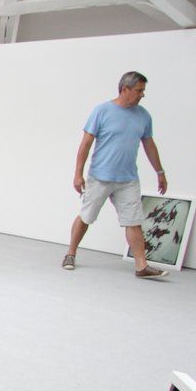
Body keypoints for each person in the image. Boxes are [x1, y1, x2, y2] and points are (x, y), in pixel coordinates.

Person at [63, 71, 169, 279]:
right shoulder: (102, 111)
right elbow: (85, 144)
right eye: (139, 90)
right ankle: (70, 254)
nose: (142, 95)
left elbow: (149, 145)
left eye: (143, 91)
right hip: (100, 177)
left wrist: (160, 171)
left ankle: (141, 266)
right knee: (86, 217)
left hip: (128, 179)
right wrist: (78, 174)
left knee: (133, 221)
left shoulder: (143, 116)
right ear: (125, 89)